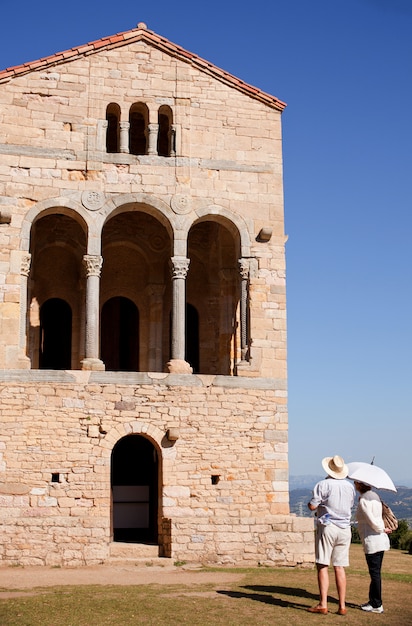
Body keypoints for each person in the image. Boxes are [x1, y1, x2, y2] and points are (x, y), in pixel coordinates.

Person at [307, 455, 355, 615]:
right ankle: (342, 605)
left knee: (323, 565)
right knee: (339, 567)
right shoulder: (350, 487)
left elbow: (313, 506)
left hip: (328, 526)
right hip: (345, 528)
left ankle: (323, 604)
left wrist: (314, 504)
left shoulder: (323, 484)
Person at [354, 480, 391, 614]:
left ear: (359, 485)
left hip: (373, 540)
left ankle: (377, 604)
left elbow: (371, 520)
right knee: (375, 573)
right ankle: (373, 601)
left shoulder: (364, 499)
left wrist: (382, 529)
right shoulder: (374, 496)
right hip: (380, 541)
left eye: (356, 483)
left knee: (375, 573)